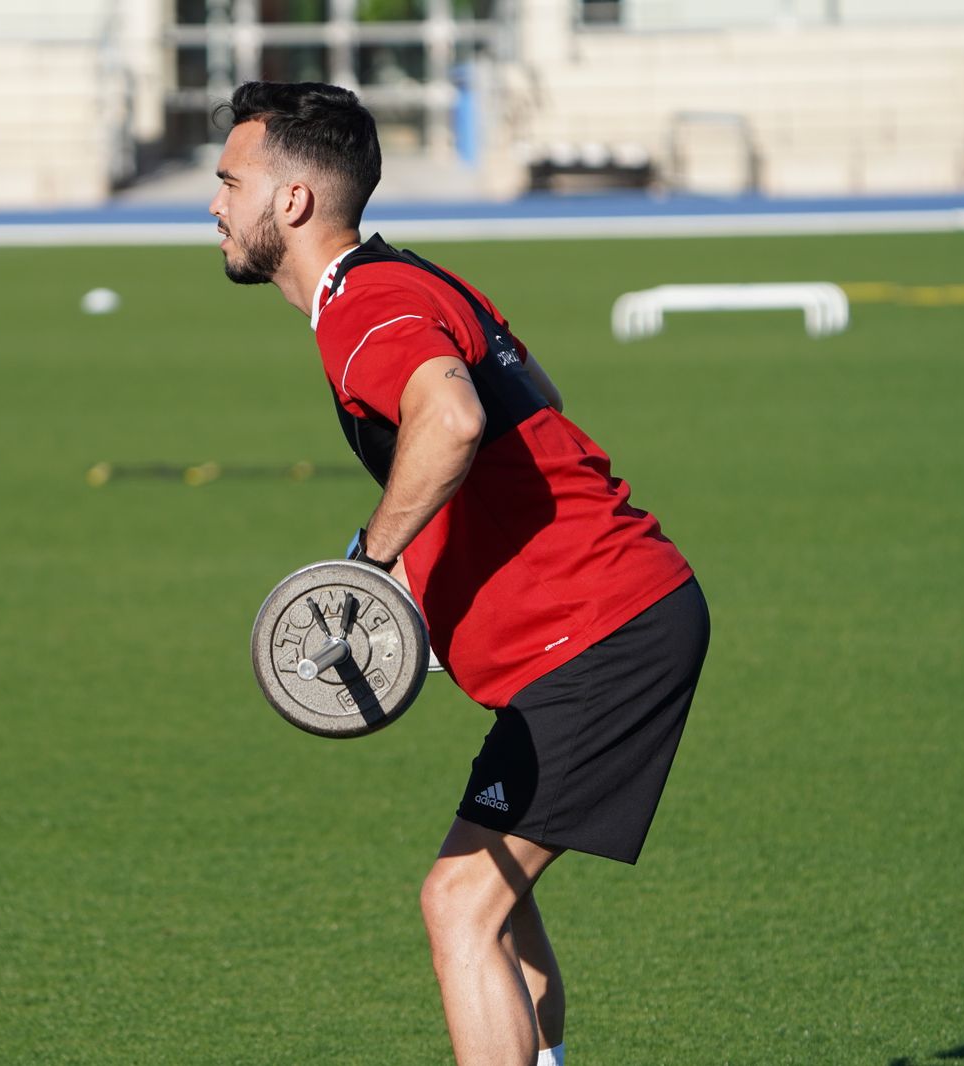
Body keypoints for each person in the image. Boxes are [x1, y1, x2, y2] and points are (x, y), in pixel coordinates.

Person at [210, 81, 710, 1066]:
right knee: (494, 902)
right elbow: (527, 420)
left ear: (293, 202)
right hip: (592, 625)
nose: (214, 204)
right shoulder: (410, 280)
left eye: (230, 181)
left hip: (601, 626)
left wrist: (373, 559)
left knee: (458, 902)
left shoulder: (368, 304)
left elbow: (456, 420)